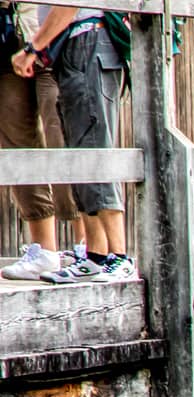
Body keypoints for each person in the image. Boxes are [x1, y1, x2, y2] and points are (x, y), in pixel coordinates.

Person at [11, 6, 132, 283]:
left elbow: (68, 4)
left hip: (89, 38)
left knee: (94, 149)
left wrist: (33, 48)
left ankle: (120, 256)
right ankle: (96, 256)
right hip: (72, 45)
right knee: (79, 150)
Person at [0, 2, 84, 281]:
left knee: (62, 137)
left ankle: (86, 247)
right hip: (7, 42)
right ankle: (44, 250)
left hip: (53, 38)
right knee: (17, 143)